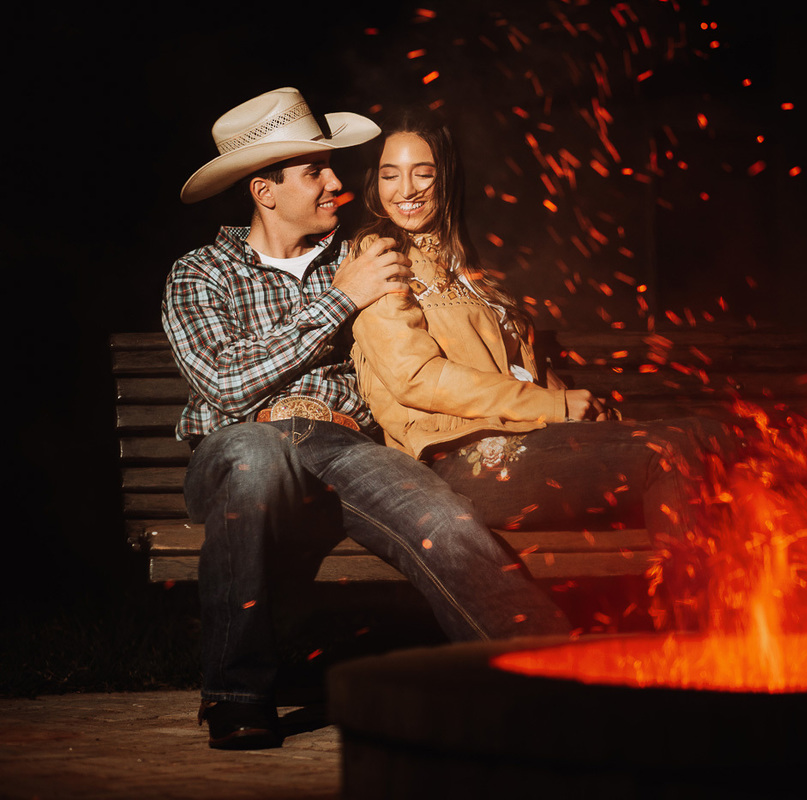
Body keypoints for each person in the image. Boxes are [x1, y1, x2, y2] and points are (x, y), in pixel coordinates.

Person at [163, 87, 570, 751]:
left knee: (443, 519)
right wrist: (336, 303)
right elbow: (225, 383)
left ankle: (559, 678)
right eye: (315, 172)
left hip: (342, 444)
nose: (336, 183)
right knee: (257, 460)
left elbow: (427, 342)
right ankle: (237, 695)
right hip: (239, 443)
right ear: (266, 191)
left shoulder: (365, 255)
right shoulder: (201, 274)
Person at [348, 106, 736, 631]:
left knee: (710, 436)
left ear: (447, 178)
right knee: (673, 451)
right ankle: (702, 654)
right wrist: (555, 405)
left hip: (528, 442)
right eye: (390, 174)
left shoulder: (467, 269)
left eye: (424, 172)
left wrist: (593, 416)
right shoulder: (378, 260)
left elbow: (523, 369)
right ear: (374, 184)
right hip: (462, 460)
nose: (406, 189)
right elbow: (416, 378)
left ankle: (723, 641)